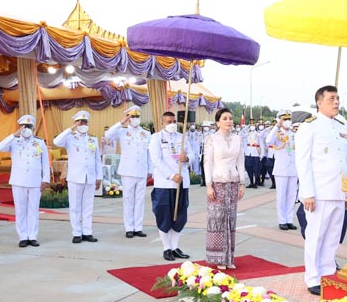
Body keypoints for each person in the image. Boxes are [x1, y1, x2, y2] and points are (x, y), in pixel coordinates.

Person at [295, 85, 347, 295]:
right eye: (332, 98)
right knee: (315, 236)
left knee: (333, 236)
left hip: (340, 191)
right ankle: (313, 277)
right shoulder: (310, 126)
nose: (336, 102)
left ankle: (328, 272)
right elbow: (302, 161)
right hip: (319, 192)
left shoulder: (341, 125)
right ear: (319, 102)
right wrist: (308, 193)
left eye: (338, 98)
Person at [0, 114, 50, 247]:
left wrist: (46, 179)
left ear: (33, 127)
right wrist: (15, 134)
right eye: (24, 126)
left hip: (35, 181)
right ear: (20, 127)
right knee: (20, 209)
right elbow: (0, 147)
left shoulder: (39, 142)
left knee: (33, 209)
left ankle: (32, 236)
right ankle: (22, 237)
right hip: (18, 180)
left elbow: (45, 162)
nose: (27, 128)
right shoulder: (13, 141)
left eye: (29, 126)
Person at [149, 111, 195, 261]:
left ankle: (175, 247)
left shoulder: (182, 137)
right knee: (164, 215)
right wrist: (171, 176)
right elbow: (156, 160)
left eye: (174, 121)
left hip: (181, 182)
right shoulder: (156, 138)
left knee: (180, 215)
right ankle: (166, 248)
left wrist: (187, 157)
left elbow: (193, 154)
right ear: (163, 123)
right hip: (165, 183)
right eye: (169, 122)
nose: (172, 124)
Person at [203, 107, 246, 270]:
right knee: (218, 220)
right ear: (218, 122)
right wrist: (209, 186)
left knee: (231, 219)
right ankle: (218, 257)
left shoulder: (238, 139)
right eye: (225, 118)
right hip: (217, 183)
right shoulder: (212, 139)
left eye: (230, 118)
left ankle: (229, 257)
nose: (229, 121)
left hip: (233, 183)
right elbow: (207, 163)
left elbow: (240, 161)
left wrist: (242, 182)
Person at [53, 110, 103, 243]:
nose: (83, 124)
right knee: (75, 206)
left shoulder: (93, 139)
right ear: (76, 123)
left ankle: (87, 232)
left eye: (85, 122)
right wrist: (71, 128)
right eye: (81, 122)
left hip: (90, 177)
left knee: (88, 206)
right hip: (75, 177)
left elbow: (97, 159)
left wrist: (99, 177)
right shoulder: (70, 137)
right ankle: (76, 233)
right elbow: (56, 141)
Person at [105, 105, 151, 238]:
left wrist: (150, 170)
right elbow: (108, 135)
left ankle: (138, 227)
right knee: (128, 199)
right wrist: (121, 122)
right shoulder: (122, 131)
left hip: (142, 170)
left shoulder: (147, 133)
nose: (135, 119)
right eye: (133, 116)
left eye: (137, 116)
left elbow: (149, 154)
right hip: (128, 171)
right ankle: (129, 227)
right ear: (129, 118)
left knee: (140, 200)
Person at [265, 109, 298, 230]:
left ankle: (289, 220)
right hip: (281, 169)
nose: (288, 121)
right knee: (282, 196)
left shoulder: (294, 134)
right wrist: (276, 126)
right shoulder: (277, 133)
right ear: (280, 120)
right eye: (285, 119)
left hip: (293, 169)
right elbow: (268, 141)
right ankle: (282, 220)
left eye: (289, 119)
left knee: (291, 196)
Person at [244, 121, 262, 188]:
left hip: (255, 153)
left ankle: (256, 183)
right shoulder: (247, 134)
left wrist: (261, 154)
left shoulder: (258, 134)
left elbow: (260, 144)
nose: (252, 126)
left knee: (256, 169)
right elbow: (240, 133)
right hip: (248, 152)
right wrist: (247, 126)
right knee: (248, 167)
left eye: (253, 125)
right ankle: (251, 182)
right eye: (251, 125)